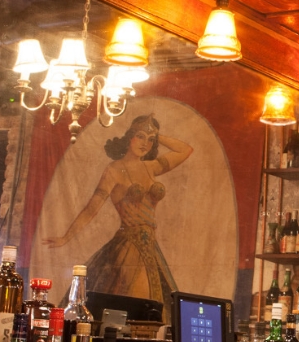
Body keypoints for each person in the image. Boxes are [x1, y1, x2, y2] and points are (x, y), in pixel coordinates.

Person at [44, 114, 191, 304]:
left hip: (150, 247)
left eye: (150, 140)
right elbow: (91, 209)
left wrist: (156, 135)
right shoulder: (114, 170)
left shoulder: (151, 167)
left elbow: (185, 150)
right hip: (128, 244)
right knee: (135, 299)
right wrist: (66, 237)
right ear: (129, 137)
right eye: (140, 136)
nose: (145, 143)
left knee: (156, 301)